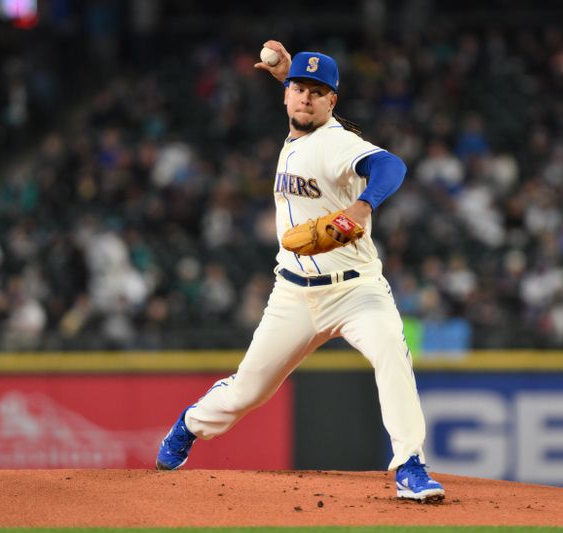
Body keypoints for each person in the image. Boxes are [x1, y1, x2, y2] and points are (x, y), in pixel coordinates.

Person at [155, 40, 445, 502]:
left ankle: (410, 465)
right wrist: (290, 75)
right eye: (299, 90)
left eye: (318, 91)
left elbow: (391, 164)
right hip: (292, 293)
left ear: (334, 101)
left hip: (356, 291)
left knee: (391, 349)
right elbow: (299, 113)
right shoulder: (297, 131)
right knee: (248, 393)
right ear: (286, 95)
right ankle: (190, 424)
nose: (306, 97)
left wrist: (363, 206)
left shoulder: (337, 143)